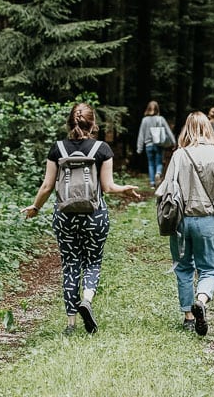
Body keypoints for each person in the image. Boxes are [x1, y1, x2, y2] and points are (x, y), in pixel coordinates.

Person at [23, 103, 142, 335]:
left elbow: (47, 186)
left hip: (65, 216)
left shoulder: (57, 149)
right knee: (93, 262)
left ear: (69, 122)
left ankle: (70, 323)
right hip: (94, 216)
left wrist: (35, 207)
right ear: (93, 123)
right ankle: (86, 300)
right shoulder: (102, 149)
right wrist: (124, 189)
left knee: (70, 264)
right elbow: (107, 187)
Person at [156, 112, 214, 336]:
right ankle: (202, 300)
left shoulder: (179, 156)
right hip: (207, 220)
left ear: (186, 129)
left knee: (183, 266)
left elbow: (167, 190)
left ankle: (188, 316)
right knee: (209, 268)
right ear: (209, 129)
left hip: (181, 222)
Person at [136, 100, 174, 188]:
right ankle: (158, 173)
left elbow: (141, 134)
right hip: (158, 144)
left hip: (148, 145)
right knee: (159, 162)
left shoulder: (144, 120)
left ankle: (152, 183)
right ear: (157, 109)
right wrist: (173, 142)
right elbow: (168, 131)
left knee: (150, 163)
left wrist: (139, 148)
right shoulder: (161, 119)